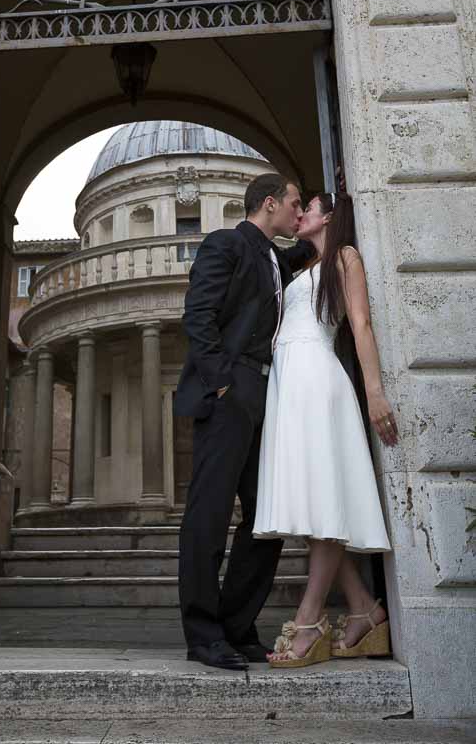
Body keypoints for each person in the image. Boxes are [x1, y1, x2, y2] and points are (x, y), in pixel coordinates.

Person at [254, 191, 398, 668]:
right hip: (290, 384)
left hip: (317, 377)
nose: (300, 214)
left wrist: (374, 392)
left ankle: (311, 618)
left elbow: (360, 324)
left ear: (330, 217)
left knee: (322, 499)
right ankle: (364, 611)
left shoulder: (345, 257)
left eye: (308, 207)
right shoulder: (302, 268)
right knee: (314, 501)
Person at [175, 173, 312, 670]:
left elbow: (312, 244)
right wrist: (222, 382)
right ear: (270, 203)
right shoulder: (226, 243)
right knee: (208, 515)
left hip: (267, 392)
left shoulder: (278, 257)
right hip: (231, 390)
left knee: (264, 517)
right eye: (295, 204)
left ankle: (237, 625)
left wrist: (329, 218)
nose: (298, 213)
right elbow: (199, 316)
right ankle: (203, 634)